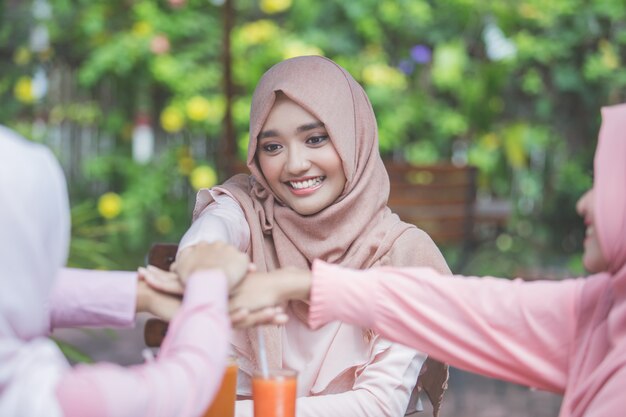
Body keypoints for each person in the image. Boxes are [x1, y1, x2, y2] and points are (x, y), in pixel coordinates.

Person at [229, 103, 626, 417]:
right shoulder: (603, 308)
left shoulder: (399, 245)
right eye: (273, 145)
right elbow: (469, 309)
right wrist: (303, 284)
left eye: (603, 184)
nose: (583, 202)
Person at [146, 55, 451, 417]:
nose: (294, 164)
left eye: (316, 139)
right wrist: (202, 255)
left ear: (355, 139)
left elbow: (379, 405)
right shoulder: (249, 210)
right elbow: (214, 231)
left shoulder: (403, 254)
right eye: (272, 146)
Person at [0, 125, 246, 417]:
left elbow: (30, 291)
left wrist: (145, 294)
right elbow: (183, 388)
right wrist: (209, 280)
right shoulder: (50, 400)